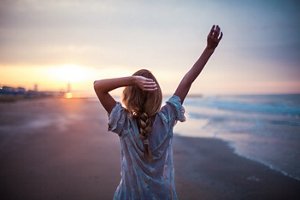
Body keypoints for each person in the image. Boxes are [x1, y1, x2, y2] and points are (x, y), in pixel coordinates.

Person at [94, 25, 223, 200]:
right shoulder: (167, 118)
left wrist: (132, 80)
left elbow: (98, 86)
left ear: (129, 96)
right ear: (157, 95)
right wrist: (209, 49)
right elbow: (187, 81)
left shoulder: (123, 122)